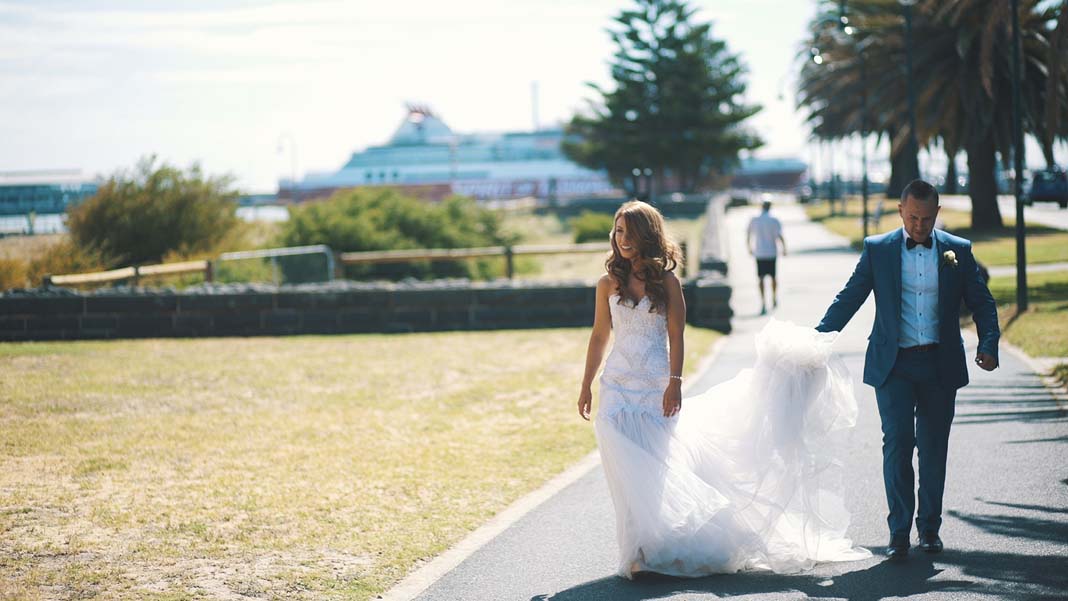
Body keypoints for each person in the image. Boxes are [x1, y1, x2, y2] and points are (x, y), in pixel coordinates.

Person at [578, 200, 869, 579]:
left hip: (654, 387)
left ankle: (651, 546)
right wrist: (586, 384)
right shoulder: (607, 283)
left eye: (630, 232)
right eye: (618, 231)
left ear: (647, 235)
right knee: (624, 470)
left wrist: (674, 383)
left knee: (654, 467)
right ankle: (635, 550)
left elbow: (676, 336)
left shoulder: (667, 283)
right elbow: (599, 336)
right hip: (616, 387)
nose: (623, 239)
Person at [815, 179, 1000, 562]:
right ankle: (898, 531)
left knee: (933, 448)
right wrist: (818, 339)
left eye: (927, 219)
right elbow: (850, 298)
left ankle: (929, 529)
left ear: (937, 214)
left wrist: (988, 343)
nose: (919, 226)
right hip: (893, 364)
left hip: (939, 365)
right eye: (913, 217)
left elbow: (982, 302)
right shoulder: (878, 249)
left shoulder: (958, 251)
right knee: (898, 443)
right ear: (901, 211)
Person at [747, 200, 786, 315]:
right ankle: (774, 297)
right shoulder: (774, 219)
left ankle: (763, 301)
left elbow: (748, 234)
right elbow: (779, 235)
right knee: (773, 277)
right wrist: (784, 248)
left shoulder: (755, 219)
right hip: (771, 252)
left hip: (760, 252)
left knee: (761, 278)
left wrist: (749, 247)